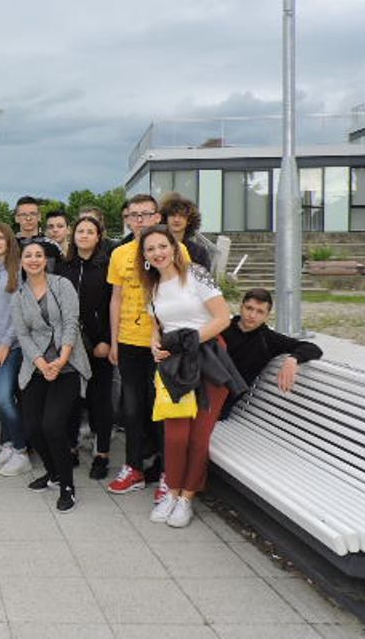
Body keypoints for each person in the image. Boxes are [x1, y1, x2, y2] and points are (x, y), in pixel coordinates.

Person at [141, 225, 247, 527]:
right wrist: (154, 345)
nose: (158, 253)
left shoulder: (196, 274)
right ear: (145, 256)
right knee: (175, 437)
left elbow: (223, 318)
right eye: (150, 249)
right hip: (175, 366)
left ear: (174, 247)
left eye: (163, 246)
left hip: (209, 360)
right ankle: (171, 492)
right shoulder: (152, 287)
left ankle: (187, 498)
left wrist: (189, 341)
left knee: (199, 437)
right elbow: (156, 327)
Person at [107, 194, 186, 496]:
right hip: (129, 341)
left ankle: (167, 472)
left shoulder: (175, 250)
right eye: (133, 215)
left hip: (164, 345)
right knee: (131, 409)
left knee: (161, 408)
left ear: (157, 217)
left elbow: (187, 293)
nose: (139, 220)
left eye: (146, 214)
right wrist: (114, 341)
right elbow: (116, 299)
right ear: (127, 219)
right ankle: (134, 468)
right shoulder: (120, 254)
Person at [11, 241, 91, 512]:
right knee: (32, 427)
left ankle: (67, 485)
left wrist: (62, 359)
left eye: (38, 255)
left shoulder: (62, 285)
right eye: (28, 256)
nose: (33, 260)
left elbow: (71, 322)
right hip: (36, 366)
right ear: (21, 261)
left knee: (53, 425)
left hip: (67, 365)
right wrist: (41, 363)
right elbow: (22, 334)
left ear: (45, 260)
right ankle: (53, 473)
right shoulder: (19, 295)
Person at [59, 215, 114, 480]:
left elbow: (113, 306)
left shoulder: (107, 266)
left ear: (98, 236)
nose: (84, 235)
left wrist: (107, 339)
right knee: (71, 398)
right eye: (80, 231)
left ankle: (102, 454)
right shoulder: (63, 266)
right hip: (70, 344)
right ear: (73, 235)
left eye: (90, 231)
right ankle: (70, 447)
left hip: (98, 344)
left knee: (99, 400)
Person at [0, 223, 31, 477]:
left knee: (4, 399)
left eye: (0, 237)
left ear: (10, 241)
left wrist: (6, 343)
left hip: (10, 345)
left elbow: (19, 312)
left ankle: (21, 451)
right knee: (1, 401)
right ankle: (8, 445)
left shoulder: (19, 269)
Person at [220, 288, 323, 394]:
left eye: (260, 312)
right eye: (249, 308)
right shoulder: (221, 327)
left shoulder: (268, 339)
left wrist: (293, 359)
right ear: (241, 307)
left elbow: (312, 348)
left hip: (224, 397)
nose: (252, 315)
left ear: (267, 316)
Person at [159, 194, 212, 270]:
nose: (176, 219)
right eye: (172, 215)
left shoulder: (199, 252)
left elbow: (204, 276)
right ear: (165, 218)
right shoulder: (156, 249)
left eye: (181, 215)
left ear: (189, 220)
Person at [14, 196, 60, 269]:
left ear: (39, 217)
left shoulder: (52, 246)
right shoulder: (9, 246)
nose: (28, 218)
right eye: (23, 214)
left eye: (32, 214)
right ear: (16, 218)